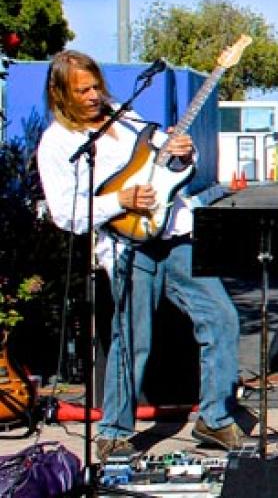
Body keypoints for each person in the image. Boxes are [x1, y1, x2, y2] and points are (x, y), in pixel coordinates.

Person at [35, 50, 243, 460]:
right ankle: (114, 429)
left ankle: (214, 419)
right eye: (83, 90)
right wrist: (120, 200)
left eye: (96, 85)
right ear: (61, 94)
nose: (94, 95)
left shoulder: (125, 119)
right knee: (132, 338)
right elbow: (64, 213)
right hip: (126, 244)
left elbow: (176, 165)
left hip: (176, 234)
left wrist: (184, 152)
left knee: (221, 317)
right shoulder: (59, 142)